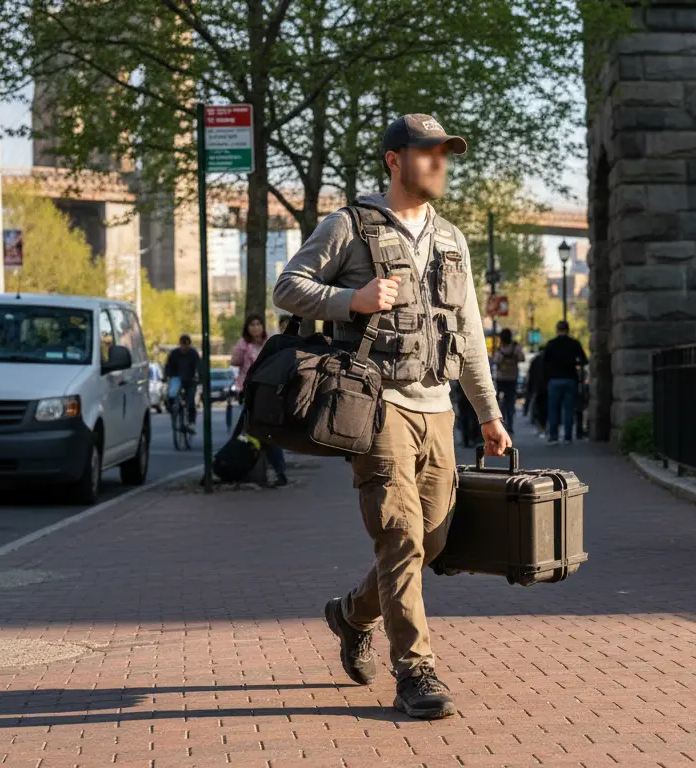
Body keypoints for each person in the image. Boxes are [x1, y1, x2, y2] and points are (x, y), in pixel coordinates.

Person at [272, 113, 510, 720]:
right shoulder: (348, 226)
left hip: (439, 410)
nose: (440, 162)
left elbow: (471, 334)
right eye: (428, 152)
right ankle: (416, 671)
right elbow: (288, 287)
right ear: (394, 160)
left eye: (445, 153)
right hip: (376, 405)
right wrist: (349, 298)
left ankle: (351, 614)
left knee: (432, 541)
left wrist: (487, 412)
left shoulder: (452, 238)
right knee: (399, 534)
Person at [230, 313, 288, 487]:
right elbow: (234, 362)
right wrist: (241, 351)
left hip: (265, 392)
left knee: (261, 432)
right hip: (247, 391)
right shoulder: (243, 344)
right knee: (251, 432)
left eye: (258, 324)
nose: (255, 327)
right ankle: (239, 468)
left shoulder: (269, 342)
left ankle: (277, 471)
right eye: (252, 325)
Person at [542, 320, 587, 445]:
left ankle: (553, 436)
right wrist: (574, 364)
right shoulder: (574, 344)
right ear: (568, 330)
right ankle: (567, 437)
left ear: (557, 330)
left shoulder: (551, 344)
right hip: (570, 379)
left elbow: (544, 362)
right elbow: (584, 360)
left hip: (554, 379)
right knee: (568, 409)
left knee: (553, 409)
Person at [491, 329, 526, 432]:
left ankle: (500, 424)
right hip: (512, 378)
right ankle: (510, 424)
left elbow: (495, 361)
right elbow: (522, 358)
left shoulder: (499, 349)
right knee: (510, 402)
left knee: (499, 402)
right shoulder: (516, 348)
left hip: (501, 378)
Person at [164, 334, 200, 432]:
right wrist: (166, 376)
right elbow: (168, 366)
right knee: (171, 394)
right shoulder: (174, 353)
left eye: (186, 345)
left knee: (191, 402)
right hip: (177, 378)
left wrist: (200, 378)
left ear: (189, 345)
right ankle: (173, 409)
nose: (184, 348)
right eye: (182, 345)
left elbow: (199, 367)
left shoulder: (193, 354)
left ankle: (191, 422)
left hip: (190, 380)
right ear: (180, 344)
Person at [523, 348, 548, 438]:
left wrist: (530, 389)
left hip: (537, 387)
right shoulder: (549, 360)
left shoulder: (536, 360)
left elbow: (531, 375)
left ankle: (541, 427)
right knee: (546, 408)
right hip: (547, 387)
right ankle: (545, 427)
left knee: (538, 407)